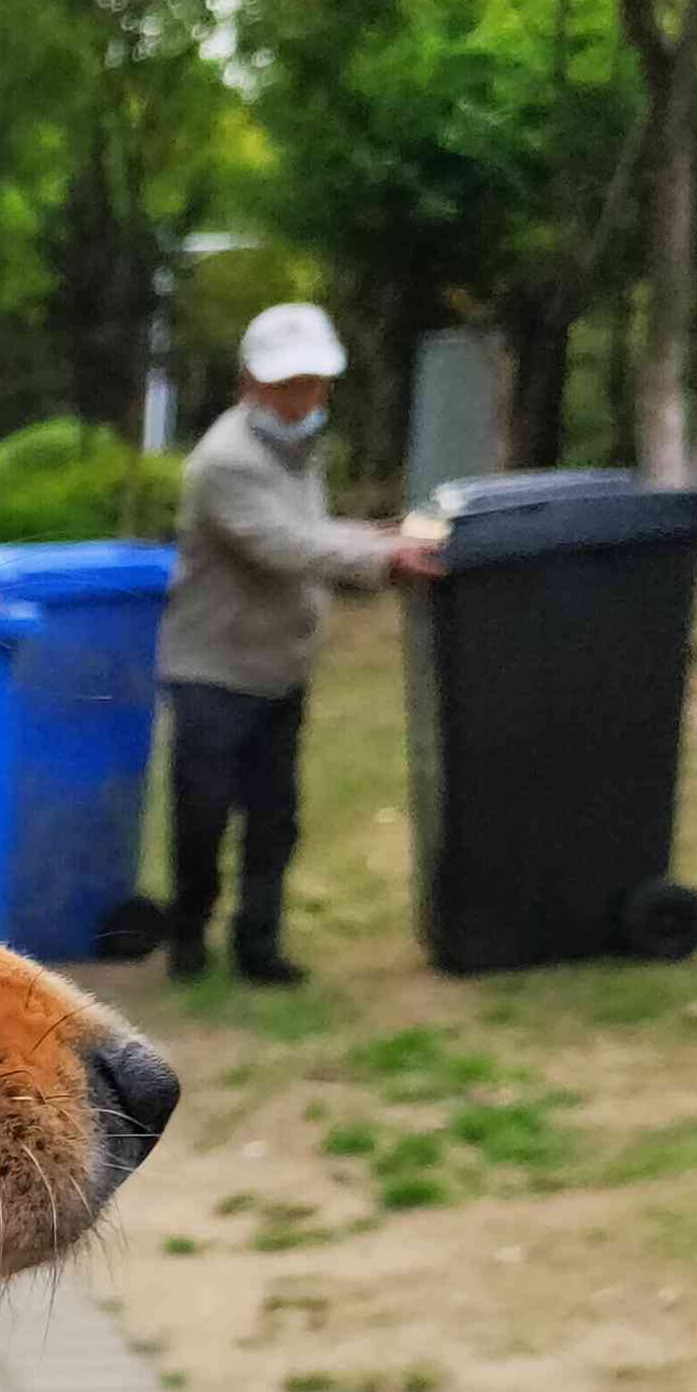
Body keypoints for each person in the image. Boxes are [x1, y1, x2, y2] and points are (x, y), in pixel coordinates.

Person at [155, 302, 437, 985]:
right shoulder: (225, 461)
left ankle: (260, 944)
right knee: (203, 815)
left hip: (279, 666)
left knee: (275, 818)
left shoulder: (297, 451)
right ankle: (188, 936)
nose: (304, 396)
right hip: (215, 669)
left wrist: (381, 534)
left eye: (313, 382)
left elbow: (311, 527)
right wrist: (385, 555)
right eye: (289, 384)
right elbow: (286, 545)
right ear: (252, 382)